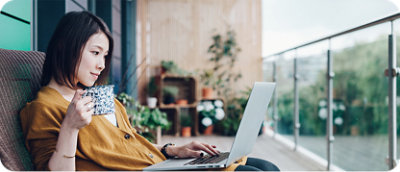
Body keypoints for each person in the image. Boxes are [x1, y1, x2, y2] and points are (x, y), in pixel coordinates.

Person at [20, 11, 280, 171]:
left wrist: (171, 150)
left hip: (159, 163)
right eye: (95, 53)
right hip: (147, 170)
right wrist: (70, 127)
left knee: (267, 166)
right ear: (67, 47)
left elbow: (126, 142)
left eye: (105, 55)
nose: (101, 65)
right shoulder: (44, 107)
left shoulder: (93, 94)